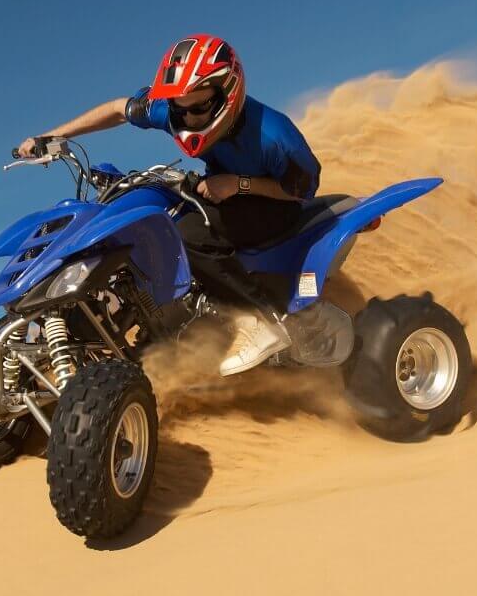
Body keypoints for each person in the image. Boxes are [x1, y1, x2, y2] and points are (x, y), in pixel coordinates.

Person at [16, 34, 321, 375]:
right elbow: (118, 109)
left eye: (198, 109)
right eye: (179, 108)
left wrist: (238, 184)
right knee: (152, 227)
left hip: (273, 203)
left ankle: (260, 320)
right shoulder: (174, 109)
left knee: (188, 234)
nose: (187, 118)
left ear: (228, 93)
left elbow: (303, 190)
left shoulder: (274, 135)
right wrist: (55, 136)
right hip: (218, 189)